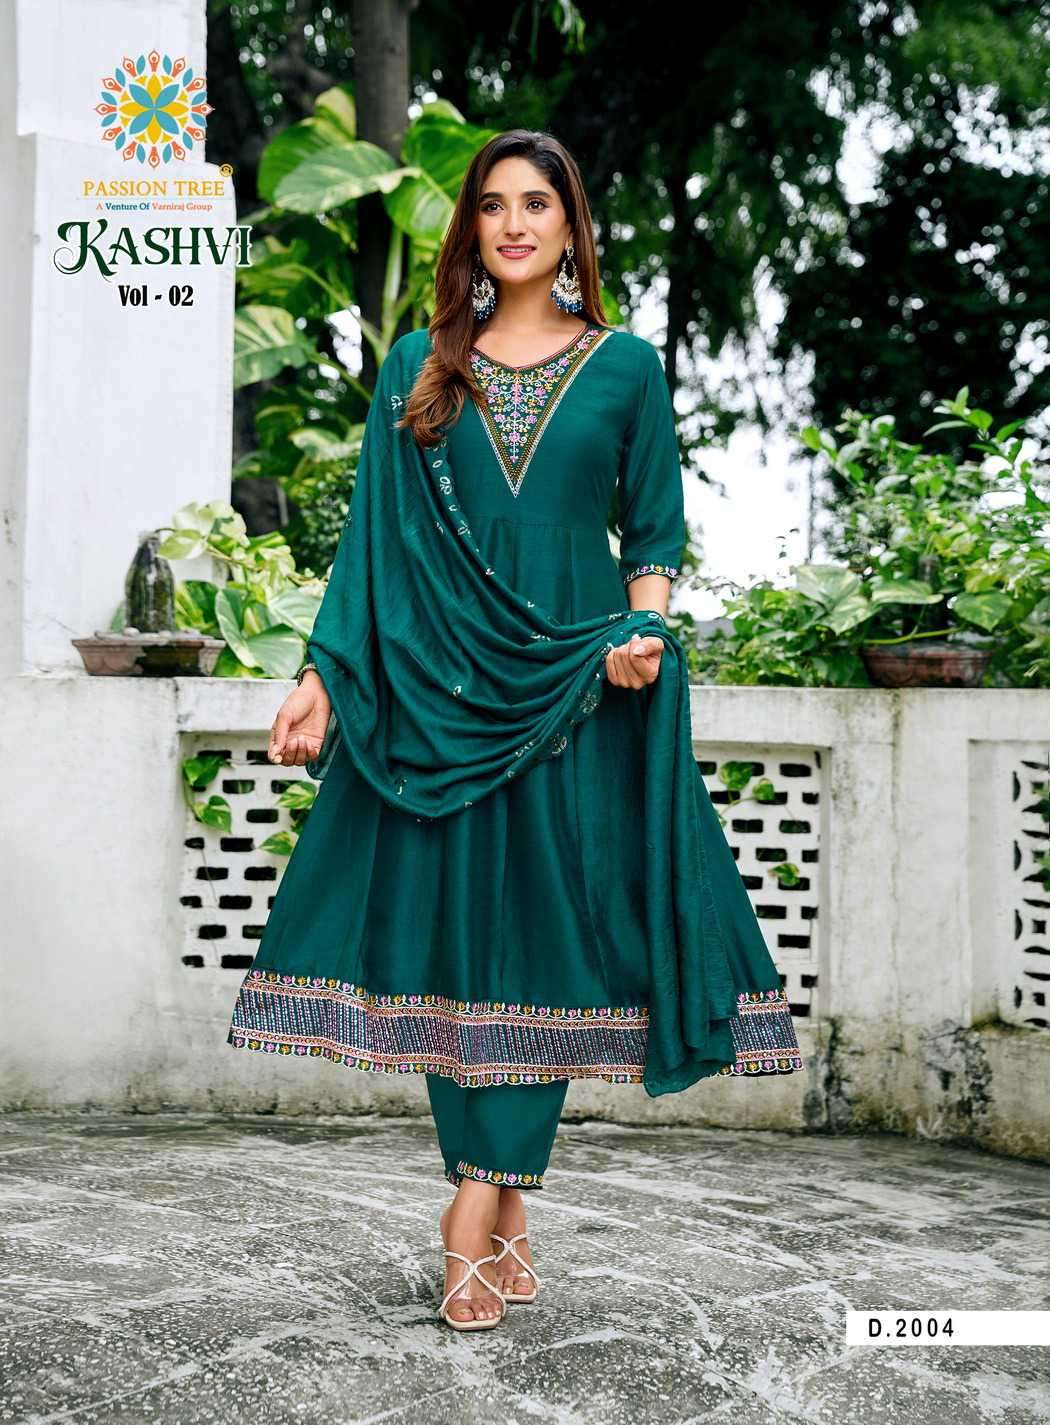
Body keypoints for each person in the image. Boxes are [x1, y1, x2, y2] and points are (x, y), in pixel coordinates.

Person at [225, 129, 803, 1332]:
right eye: (493, 206)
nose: (515, 225)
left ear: (572, 226)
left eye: (538, 204)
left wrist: (647, 635)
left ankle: (472, 1212)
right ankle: (505, 1208)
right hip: (435, 691)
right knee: (457, 960)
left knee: (545, 952)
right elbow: (372, 544)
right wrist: (323, 675)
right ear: (472, 229)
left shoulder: (626, 367)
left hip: (575, 690)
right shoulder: (418, 365)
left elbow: (653, 534)